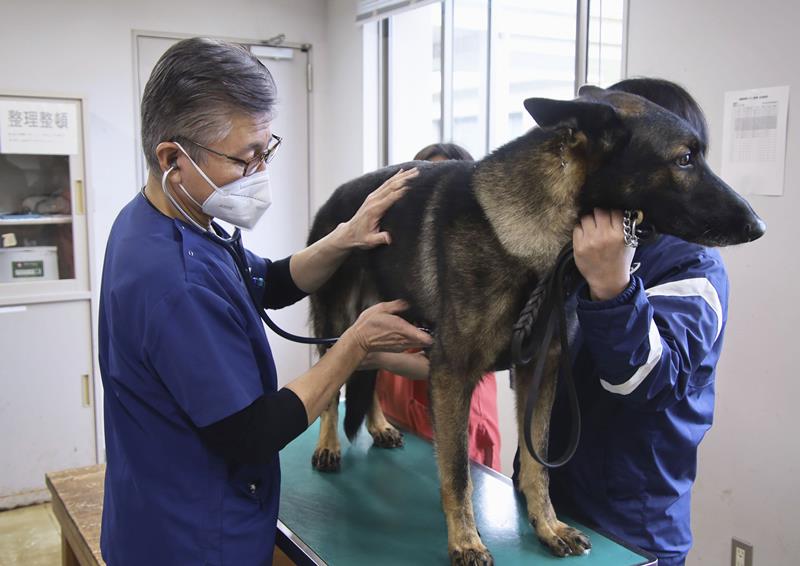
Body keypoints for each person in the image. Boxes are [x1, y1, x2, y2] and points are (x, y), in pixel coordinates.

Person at [98, 37, 431, 565]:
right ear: (172, 158)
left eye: (266, 150)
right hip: (192, 541)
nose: (260, 173)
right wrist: (355, 347)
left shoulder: (165, 219)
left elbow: (270, 283)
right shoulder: (174, 282)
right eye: (245, 158)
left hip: (152, 514)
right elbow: (252, 434)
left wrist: (343, 236)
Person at [513, 77, 728, 566]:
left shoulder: (694, 266)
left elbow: (651, 385)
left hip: (629, 531)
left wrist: (612, 285)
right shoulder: (569, 246)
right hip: (543, 507)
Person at [369, 142, 502, 470]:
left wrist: (367, 354)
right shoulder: (396, 258)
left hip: (458, 422)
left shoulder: (483, 268)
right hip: (397, 416)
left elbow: (465, 366)